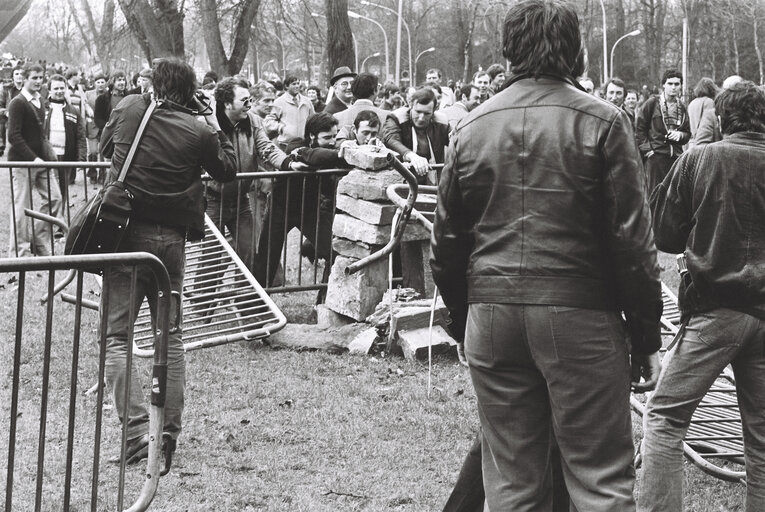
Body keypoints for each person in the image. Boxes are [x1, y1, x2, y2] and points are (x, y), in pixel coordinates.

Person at [430, 1, 662, 510]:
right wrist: (646, 334)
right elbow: (632, 243)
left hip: (494, 314)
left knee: (511, 485)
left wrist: (468, 316)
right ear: (575, 50)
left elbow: (447, 243)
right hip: (579, 314)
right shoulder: (603, 121)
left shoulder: (470, 126)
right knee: (599, 480)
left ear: (509, 50)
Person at [98, 57, 237, 464]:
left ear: (154, 85)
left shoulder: (128, 108)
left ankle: (138, 430)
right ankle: (167, 433)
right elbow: (226, 169)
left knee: (116, 337)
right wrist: (212, 118)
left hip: (126, 236)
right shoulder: (199, 130)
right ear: (192, 91)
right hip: (171, 242)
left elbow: (107, 147)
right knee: (169, 336)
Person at [641, 80, 765, 512]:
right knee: (762, 444)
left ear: (722, 118)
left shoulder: (700, 159)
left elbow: (666, 235)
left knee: (664, 418)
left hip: (716, 309)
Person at [254, 112, 350, 287]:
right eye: (327, 137)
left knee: (333, 253)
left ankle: (325, 298)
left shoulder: (328, 151)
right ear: (312, 136)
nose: (332, 141)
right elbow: (311, 155)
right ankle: (257, 304)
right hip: (281, 208)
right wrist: (340, 155)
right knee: (267, 259)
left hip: (310, 210)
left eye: (335, 136)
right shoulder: (297, 145)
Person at [7, 63, 61, 257]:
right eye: (34, 78)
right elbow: (13, 135)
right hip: (22, 163)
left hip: (41, 161)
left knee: (55, 198)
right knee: (21, 207)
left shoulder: (39, 101)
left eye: (41, 78)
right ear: (25, 78)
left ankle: (39, 241)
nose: (38, 81)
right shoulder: (18, 102)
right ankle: (19, 253)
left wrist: (44, 157)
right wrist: (33, 158)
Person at [636, 69, 690, 194]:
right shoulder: (652, 103)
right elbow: (640, 129)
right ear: (664, 85)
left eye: (677, 84)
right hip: (656, 157)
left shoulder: (681, 107)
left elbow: (687, 133)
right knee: (655, 194)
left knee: (673, 195)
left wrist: (680, 135)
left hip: (675, 158)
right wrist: (648, 151)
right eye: (670, 83)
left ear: (681, 86)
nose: (673, 87)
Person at [45, 74, 86, 211]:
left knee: (62, 191)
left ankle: (58, 223)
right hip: (47, 157)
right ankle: (48, 221)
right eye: (55, 88)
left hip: (66, 156)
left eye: (62, 88)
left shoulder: (74, 111)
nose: (59, 91)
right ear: (49, 90)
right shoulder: (42, 109)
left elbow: (80, 136)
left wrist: (81, 158)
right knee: (50, 193)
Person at [272, 74, 314, 150]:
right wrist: (281, 128)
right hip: (285, 144)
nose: (297, 86)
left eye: (298, 83)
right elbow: (269, 120)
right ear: (286, 86)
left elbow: (313, 120)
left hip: (304, 143)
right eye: (293, 84)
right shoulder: (278, 102)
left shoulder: (307, 101)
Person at [686, 77, 720, 147]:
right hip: (705, 143)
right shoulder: (709, 102)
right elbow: (711, 122)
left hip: (692, 142)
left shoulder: (692, 103)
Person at [0, 65, 25, 157]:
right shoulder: (6, 89)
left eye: (21, 74)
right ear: (12, 76)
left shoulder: (29, 89)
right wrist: (7, 112)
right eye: (16, 74)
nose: (19, 76)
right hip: (10, 120)